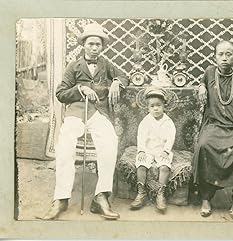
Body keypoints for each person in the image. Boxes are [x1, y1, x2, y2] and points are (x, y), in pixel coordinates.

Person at [42, 23, 128, 220]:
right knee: (65, 142)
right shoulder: (74, 66)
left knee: (110, 141)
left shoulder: (106, 64)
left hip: (98, 113)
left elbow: (124, 76)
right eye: (91, 43)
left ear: (102, 46)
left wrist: (116, 82)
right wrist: (80, 89)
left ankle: (101, 196)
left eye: (98, 44)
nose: (95, 47)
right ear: (84, 45)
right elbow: (61, 93)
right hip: (76, 112)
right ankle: (61, 198)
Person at [192, 40, 233, 220]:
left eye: (228, 54)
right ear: (214, 57)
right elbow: (203, 81)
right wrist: (201, 86)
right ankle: (206, 197)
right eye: (220, 54)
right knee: (203, 146)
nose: (224, 58)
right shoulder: (208, 73)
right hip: (214, 125)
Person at [130, 87, 176, 213]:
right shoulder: (146, 121)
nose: (155, 108)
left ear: (164, 106)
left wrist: (166, 151)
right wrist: (141, 150)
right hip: (148, 149)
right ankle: (141, 192)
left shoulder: (168, 122)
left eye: (158, 105)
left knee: (164, 166)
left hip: (162, 150)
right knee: (141, 165)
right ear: (148, 108)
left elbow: (171, 138)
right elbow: (141, 137)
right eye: (152, 106)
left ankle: (160, 194)